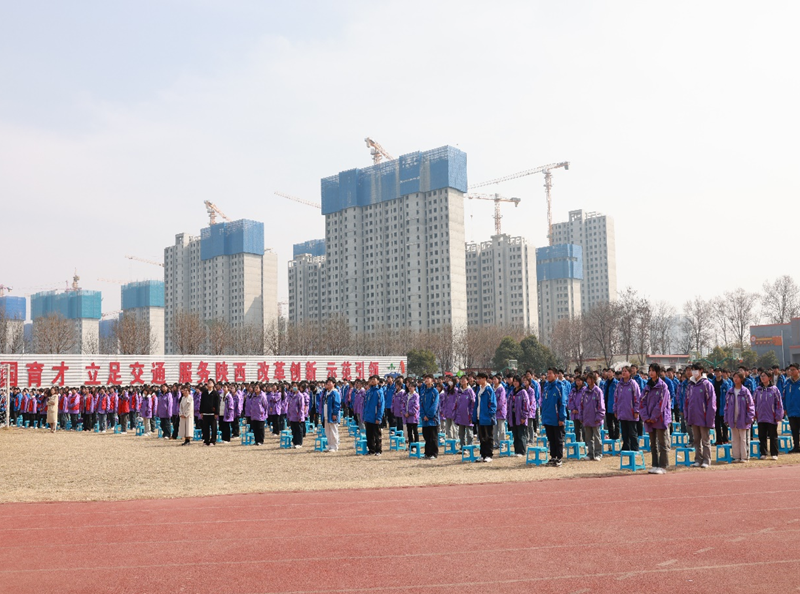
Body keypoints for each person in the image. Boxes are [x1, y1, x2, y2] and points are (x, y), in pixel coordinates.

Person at [640, 364, 671, 473]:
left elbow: (661, 404)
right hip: (649, 419)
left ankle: (663, 466)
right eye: (650, 370)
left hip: (660, 418)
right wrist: (646, 417)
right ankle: (654, 464)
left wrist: (653, 416)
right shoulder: (647, 387)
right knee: (653, 444)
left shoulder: (663, 386)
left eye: (653, 370)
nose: (651, 372)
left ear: (657, 372)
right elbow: (642, 401)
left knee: (662, 443)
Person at [685, 363, 716, 468]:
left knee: (705, 440)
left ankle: (706, 460)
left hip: (703, 417)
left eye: (696, 369)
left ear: (701, 370)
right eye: (692, 369)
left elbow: (711, 403)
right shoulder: (690, 385)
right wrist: (687, 415)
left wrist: (709, 419)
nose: (693, 372)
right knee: (696, 440)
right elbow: (687, 401)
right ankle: (698, 459)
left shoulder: (707, 384)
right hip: (693, 417)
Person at [724, 371, 755, 462]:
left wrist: (749, 418)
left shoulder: (745, 391)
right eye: (734, 377)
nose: (735, 379)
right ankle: (736, 456)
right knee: (734, 439)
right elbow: (726, 406)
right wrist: (726, 418)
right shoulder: (730, 392)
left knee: (744, 439)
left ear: (741, 379)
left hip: (743, 419)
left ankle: (744, 457)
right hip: (733, 419)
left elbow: (751, 405)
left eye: (737, 377)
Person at [754, 371, 784, 460]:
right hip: (761, 417)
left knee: (773, 436)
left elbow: (779, 403)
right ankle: (763, 453)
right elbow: (753, 402)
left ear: (769, 378)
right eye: (761, 376)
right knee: (762, 436)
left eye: (764, 376)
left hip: (771, 417)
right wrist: (754, 414)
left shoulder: (774, 389)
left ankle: (774, 453)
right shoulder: (758, 390)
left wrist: (778, 415)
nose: (762, 377)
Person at [541, 368, 567, 466]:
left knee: (558, 439)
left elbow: (563, 403)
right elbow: (544, 403)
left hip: (556, 418)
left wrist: (562, 418)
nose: (548, 375)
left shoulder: (559, 387)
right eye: (547, 373)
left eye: (550, 373)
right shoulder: (547, 387)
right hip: (548, 417)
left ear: (556, 375)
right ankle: (553, 457)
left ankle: (559, 458)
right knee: (551, 439)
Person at [580, 371, 606, 461]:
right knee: (588, 437)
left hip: (595, 418)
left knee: (597, 437)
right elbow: (581, 405)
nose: (588, 380)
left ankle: (598, 453)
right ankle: (590, 453)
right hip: (586, 418)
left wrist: (599, 417)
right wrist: (581, 416)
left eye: (590, 379)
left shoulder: (598, 391)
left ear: (594, 380)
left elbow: (601, 405)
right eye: (587, 379)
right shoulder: (584, 391)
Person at [614, 367, 641, 452]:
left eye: (625, 371)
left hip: (631, 413)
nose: (623, 373)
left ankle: (635, 449)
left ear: (629, 373)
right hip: (622, 412)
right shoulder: (619, 385)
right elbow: (616, 398)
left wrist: (636, 410)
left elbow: (637, 398)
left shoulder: (633, 384)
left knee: (632, 432)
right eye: (622, 371)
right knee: (624, 433)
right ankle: (626, 448)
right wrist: (615, 410)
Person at [472, 372, 497, 463]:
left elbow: (493, 404)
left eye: (479, 378)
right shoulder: (479, 389)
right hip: (480, 416)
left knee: (488, 437)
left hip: (487, 417)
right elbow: (477, 403)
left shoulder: (489, 390)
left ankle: (489, 455)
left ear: (484, 379)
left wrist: (490, 415)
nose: (478, 380)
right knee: (481, 437)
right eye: (477, 379)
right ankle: (482, 454)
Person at [507, 376, 530, 457]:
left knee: (521, 434)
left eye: (517, 381)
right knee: (515, 435)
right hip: (513, 416)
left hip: (520, 417)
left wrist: (524, 416)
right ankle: (516, 451)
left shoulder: (523, 392)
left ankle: (522, 451)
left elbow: (526, 405)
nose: (515, 383)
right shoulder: (512, 392)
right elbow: (508, 404)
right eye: (514, 381)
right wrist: (508, 416)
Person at [362, 376, 385, 456]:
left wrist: (379, 417)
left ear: (378, 381)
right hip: (368, 416)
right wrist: (364, 416)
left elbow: (381, 406)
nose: (372, 381)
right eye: (371, 379)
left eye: (374, 379)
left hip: (375, 417)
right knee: (369, 434)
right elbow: (365, 405)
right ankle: (371, 450)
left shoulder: (379, 392)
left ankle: (378, 450)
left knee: (377, 434)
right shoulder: (368, 392)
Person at [420, 374, 440, 460]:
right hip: (424, 419)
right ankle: (427, 453)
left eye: (428, 378)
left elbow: (435, 405)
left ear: (432, 380)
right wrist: (423, 415)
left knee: (433, 437)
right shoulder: (423, 392)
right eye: (425, 378)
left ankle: (434, 453)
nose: (426, 380)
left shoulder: (435, 392)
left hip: (433, 419)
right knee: (426, 436)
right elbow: (421, 404)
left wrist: (428, 415)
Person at [454, 376, 475, 452]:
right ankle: (462, 447)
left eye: (464, 380)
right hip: (460, 415)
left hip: (468, 415)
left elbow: (473, 403)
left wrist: (471, 414)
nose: (462, 381)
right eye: (461, 380)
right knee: (461, 433)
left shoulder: (470, 391)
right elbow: (456, 403)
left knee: (469, 432)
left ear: (467, 381)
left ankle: (469, 447)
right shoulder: (459, 391)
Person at [783, 364, 800, 453]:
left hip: (799, 409)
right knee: (794, 430)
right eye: (790, 370)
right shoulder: (787, 382)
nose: (791, 372)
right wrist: (785, 408)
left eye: (793, 370)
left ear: (798, 370)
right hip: (791, 410)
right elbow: (784, 396)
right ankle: (796, 446)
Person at [321, 377, 341, 452]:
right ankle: (330, 445)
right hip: (326, 415)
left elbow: (337, 404)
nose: (328, 384)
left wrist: (335, 414)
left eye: (330, 382)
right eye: (327, 382)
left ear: (334, 384)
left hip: (332, 415)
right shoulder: (326, 392)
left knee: (333, 431)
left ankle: (334, 446)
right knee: (327, 431)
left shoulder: (335, 392)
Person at [199, 379, 219, 446]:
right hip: (205, 413)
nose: (209, 384)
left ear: (213, 384)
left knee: (213, 428)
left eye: (210, 382)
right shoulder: (204, 393)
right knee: (205, 428)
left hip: (212, 413)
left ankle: (213, 441)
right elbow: (201, 403)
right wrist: (201, 412)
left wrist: (216, 413)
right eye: (208, 382)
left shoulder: (215, 393)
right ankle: (206, 440)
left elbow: (217, 404)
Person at [568, 376, 586, 443]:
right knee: (577, 428)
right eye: (577, 380)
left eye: (579, 380)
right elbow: (570, 400)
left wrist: (579, 410)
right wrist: (573, 409)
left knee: (584, 429)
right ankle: (578, 442)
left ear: (582, 381)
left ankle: (586, 443)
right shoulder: (573, 390)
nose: (578, 382)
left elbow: (585, 401)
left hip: (582, 413)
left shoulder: (585, 390)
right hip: (574, 413)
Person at [287, 383, 305, 448]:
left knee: (298, 430)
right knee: (293, 430)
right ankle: (294, 442)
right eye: (293, 386)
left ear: (298, 387)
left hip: (298, 416)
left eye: (295, 386)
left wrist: (300, 416)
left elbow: (301, 407)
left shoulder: (300, 396)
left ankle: (299, 443)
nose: (294, 388)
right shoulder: (291, 396)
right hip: (292, 416)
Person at [492, 375, 507, 448]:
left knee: (501, 429)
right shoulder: (492, 389)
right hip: (493, 412)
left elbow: (501, 401)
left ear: (499, 380)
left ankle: (502, 443)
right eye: (493, 379)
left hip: (500, 412)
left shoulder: (501, 389)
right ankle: (496, 443)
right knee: (494, 429)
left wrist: (494, 408)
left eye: (495, 379)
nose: (494, 380)